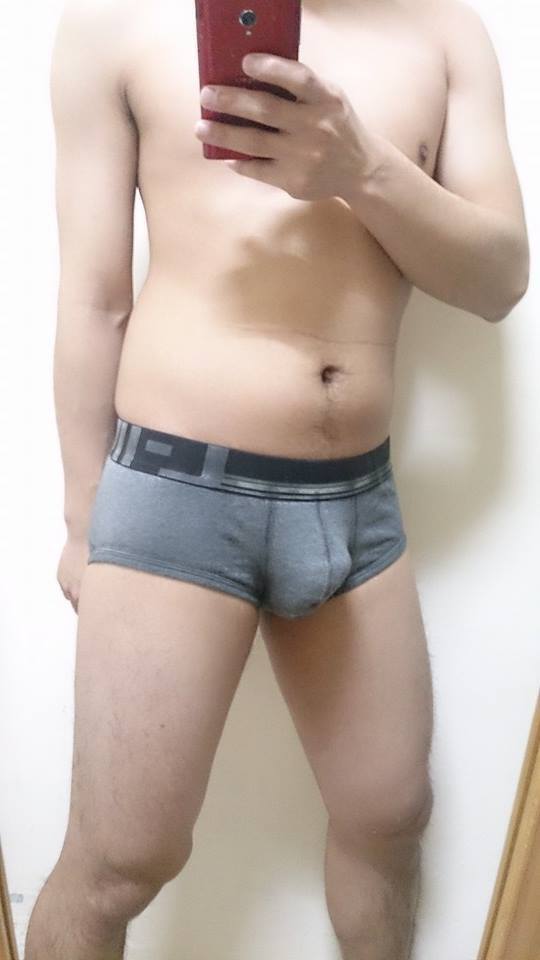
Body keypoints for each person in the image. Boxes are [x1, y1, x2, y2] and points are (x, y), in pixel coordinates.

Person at [25, 0, 529, 957]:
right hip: (174, 494)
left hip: (358, 504)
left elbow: (500, 280)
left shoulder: (445, 33)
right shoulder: (113, 26)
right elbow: (94, 299)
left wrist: (364, 169)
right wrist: (83, 520)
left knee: (390, 818)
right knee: (122, 859)